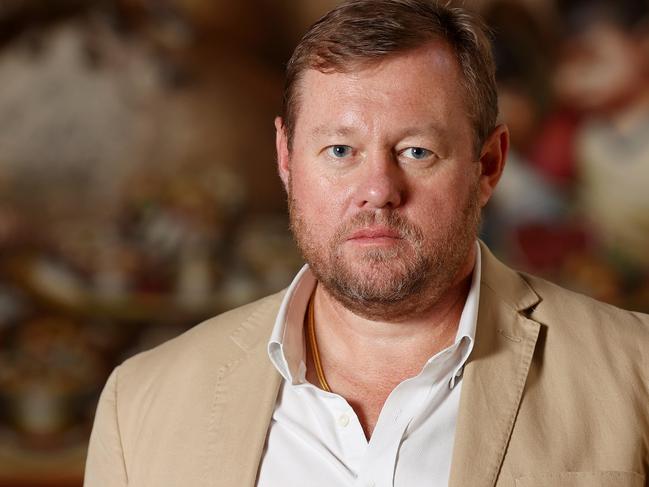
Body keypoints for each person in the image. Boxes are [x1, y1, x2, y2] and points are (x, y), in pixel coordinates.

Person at [84, 1, 649, 486]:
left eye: (416, 151)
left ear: (489, 164)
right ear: (286, 159)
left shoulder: (636, 372)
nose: (377, 191)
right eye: (339, 151)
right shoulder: (138, 405)